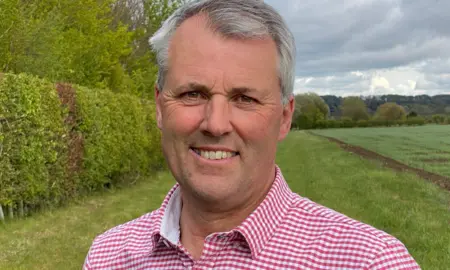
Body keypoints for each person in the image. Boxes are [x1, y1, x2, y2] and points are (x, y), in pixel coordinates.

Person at [83, 0, 420, 269]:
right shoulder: (108, 257)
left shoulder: (370, 262)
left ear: (285, 117)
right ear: (159, 107)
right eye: (192, 94)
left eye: (245, 99)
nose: (216, 124)